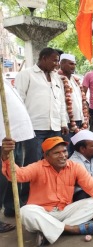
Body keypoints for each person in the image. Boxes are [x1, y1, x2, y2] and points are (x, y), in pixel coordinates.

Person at [1, 137, 93, 245]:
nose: (63, 156)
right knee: (25, 211)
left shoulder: (75, 167)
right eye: (57, 153)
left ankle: (50, 231)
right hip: (42, 213)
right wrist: (6, 157)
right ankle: (70, 229)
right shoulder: (37, 167)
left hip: (64, 211)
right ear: (46, 156)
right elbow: (17, 175)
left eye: (64, 151)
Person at [14, 47, 68, 210]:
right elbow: (19, 101)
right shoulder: (27, 74)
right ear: (43, 58)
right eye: (54, 60)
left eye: (58, 61)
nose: (57, 64)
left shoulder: (56, 78)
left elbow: (61, 102)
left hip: (55, 127)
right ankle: (27, 201)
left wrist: (63, 122)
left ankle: (51, 197)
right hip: (34, 128)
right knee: (34, 165)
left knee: (55, 164)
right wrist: (21, 126)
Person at [0, 78, 34, 230]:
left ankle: (11, 207)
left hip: (16, 135)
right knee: (1, 178)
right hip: (4, 138)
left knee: (11, 174)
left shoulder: (4, 81)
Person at [58, 54, 88, 156]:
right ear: (61, 64)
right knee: (67, 151)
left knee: (79, 150)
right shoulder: (58, 79)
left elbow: (81, 100)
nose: (73, 66)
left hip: (80, 119)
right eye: (70, 64)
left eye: (74, 64)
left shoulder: (75, 80)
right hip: (67, 122)